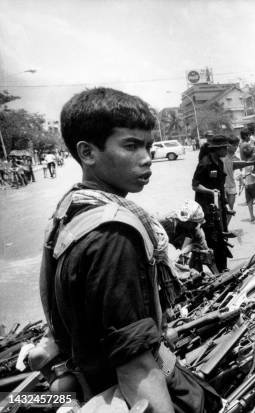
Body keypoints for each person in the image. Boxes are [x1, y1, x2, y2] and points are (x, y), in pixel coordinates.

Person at [39, 87, 220, 412]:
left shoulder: (73, 206)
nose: (147, 157)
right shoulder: (114, 235)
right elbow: (134, 366)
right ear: (87, 152)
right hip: (124, 390)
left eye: (149, 146)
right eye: (131, 145)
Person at [192, 135, 231, 271]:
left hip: (218, 207)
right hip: (205, 209)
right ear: (217, 149)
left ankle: (223, 269)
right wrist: (210, 191)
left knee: (221, 238)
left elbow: (220, 186)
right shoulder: (205, 163)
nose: (227, 150)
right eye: (224, 147)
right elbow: (195, 185)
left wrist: (225, 203)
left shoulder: (219, 163)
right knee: (211, 239)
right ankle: (213, 270)